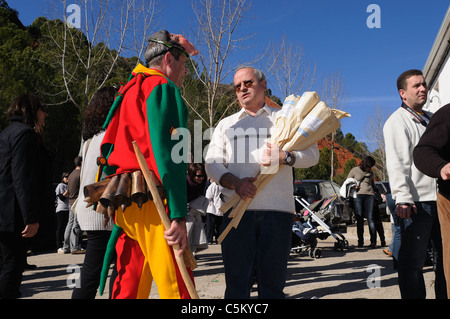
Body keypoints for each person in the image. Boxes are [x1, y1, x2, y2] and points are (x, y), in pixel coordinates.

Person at [96, 30, 199, 299]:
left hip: (126, 199)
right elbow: (171, 157)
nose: (185, 71)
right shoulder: (163, 89)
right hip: (155, 202)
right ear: (169, 59)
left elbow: (107, 147)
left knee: (129, 282)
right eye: (184, 63)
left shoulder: (128, 89)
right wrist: (177, 213)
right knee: (176, 285)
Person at [205, 66, 320, 299]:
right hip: (236, 212)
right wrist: (235, 183)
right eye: (237, 87)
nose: (242, 89)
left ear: (263, 84)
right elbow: (212, 163)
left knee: (272, 286)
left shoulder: (284, 120)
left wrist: (286, 157)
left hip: (278, 213)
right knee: (237, 286)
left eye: (247, 83)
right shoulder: (226, 124)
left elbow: (313, 155)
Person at [383, 69, 446, 299]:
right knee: (412, 264)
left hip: (440, 200)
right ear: (402, 93)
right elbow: (397, 163)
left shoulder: (431, 118)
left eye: (424, 85)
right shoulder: (396, 122)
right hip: (416, 204)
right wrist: (403, 198)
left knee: (445, 261)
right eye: (416, 86)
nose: (423, 89)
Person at [71, 87, 116, 299]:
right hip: (103, 212)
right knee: (99, 269)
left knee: (93, 268)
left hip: (88, 208)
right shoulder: (110, 136)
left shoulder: (89, 139)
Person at [0, 93, 47, 298]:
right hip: (14, 214)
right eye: (42, 109)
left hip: (4, 211)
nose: (45, 114)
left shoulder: (6, 133)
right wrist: (30, 217)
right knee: (13, 266)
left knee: (5, 264)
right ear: (31, 110)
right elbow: (21, 178)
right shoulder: (25, 134)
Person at [414, 102, 450, 297]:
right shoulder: (446, 114)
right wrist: (441, 167)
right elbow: (422, 152)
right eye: (417, 85)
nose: (423, 89)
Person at [347, 156, 382, 248]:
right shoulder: (354, 170)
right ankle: (360, 242)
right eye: (369, 166)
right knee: (359, 219)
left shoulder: (371, 172)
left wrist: (379, 193)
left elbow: (372, 185)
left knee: (370, 218)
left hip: (370, 195)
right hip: (358, 196)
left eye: (371, 167)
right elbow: (347, 182)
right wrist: (353, 187)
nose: (370, 168)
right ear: (364, 164)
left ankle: (373, 242)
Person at [186, 163, 208, 254]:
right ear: (192, 175)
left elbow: (201, 195)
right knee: (187, 234)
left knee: (195, 233)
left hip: (195, 211)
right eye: (199, 176)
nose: (201, 178)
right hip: (185, 212)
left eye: (203, 176)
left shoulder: (202, 183)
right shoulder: (185, 182)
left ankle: (192, 252)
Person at [64, 156, 84, 254]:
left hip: (70, 201)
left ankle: (66, 246)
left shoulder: (71, 174)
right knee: (76, 224)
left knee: (70, 223)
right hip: (77, 201)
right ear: (81, 163)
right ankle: (75, 247)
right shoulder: (81, 174)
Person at [205, 180, 224, 244]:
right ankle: (209, 239)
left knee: (219, 226)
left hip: (220, 209)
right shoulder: (213, 185)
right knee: (211, 226)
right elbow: (208, 197)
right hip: (212, 209)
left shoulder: (221, 186)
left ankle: (217, 239)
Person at [55, 172, 70, 254]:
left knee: (66, 227)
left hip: (68, 209)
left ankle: (66, 244)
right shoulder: (61, 185)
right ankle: (59, 246)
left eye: (68, 177)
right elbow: (62, 198)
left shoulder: (68, 185)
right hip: (61, 209)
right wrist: (67, 191)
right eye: (66, 177)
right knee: (60, 227)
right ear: (62, 178)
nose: (67, 178)